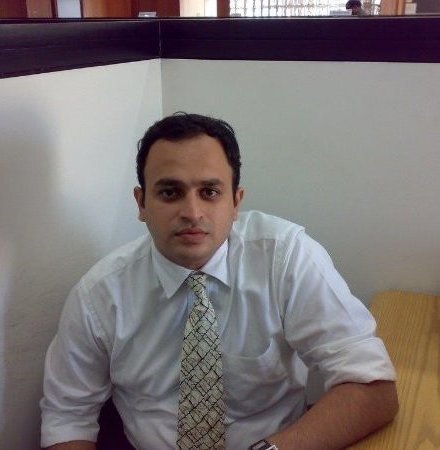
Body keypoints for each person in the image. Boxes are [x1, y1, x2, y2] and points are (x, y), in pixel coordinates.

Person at [40, 112, 398, 450]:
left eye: (210, 192)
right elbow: (67, 416)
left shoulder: (286, 258)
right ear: (141, 202)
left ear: (236, 202)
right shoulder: (99, 295)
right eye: (170, 192)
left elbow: (372, 387)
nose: (192, 213)